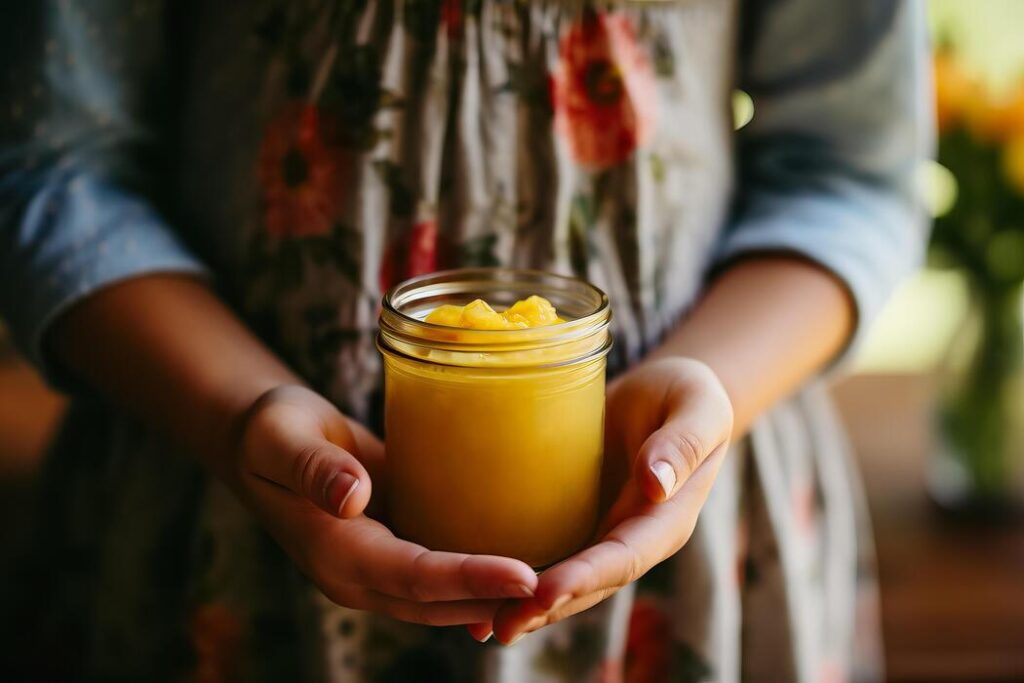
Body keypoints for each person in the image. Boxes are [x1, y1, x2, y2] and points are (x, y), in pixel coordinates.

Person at [0, 0, 930, 680]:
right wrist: (238, 415)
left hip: (682, 521)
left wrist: (707, 392)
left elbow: (852, 168)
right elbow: (55, 165)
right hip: (219, 502)